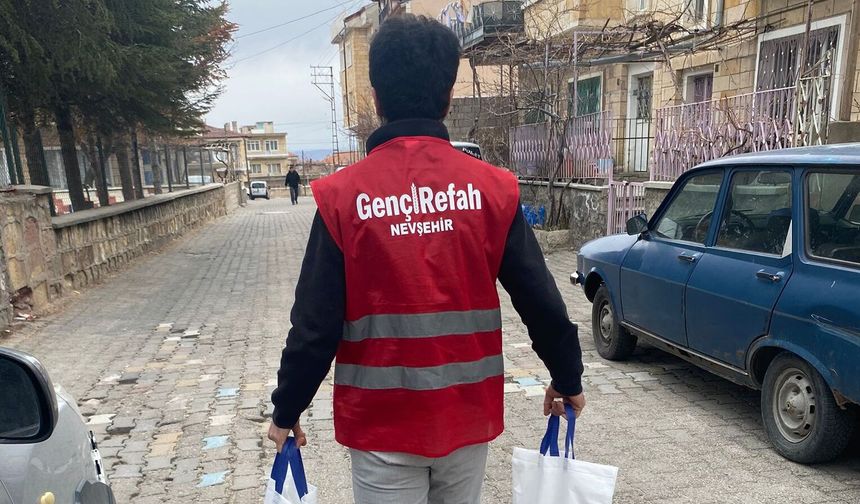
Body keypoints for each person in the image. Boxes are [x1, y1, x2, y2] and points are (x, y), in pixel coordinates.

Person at [268, 14, 585, 504]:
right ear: (449, 94)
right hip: (466, 418)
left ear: (375, 97)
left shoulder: (342, 198)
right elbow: (540, 299)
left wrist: (287, 409)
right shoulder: (492, 190)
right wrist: (567, 378)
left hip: (382, 427)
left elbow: (314, 326)